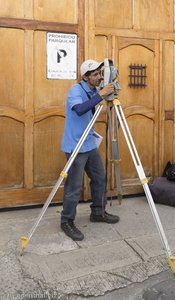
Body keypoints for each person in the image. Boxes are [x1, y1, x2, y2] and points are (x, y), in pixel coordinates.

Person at [61, 59, 120, 241]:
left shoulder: (94, 91)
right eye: (94, 74)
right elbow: (79, 109)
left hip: (89, 143)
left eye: (99, 73)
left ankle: (98, 212)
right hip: (76, 145)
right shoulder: (76, 91)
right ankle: (67, 221)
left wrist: (105, 94)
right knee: (74, 186)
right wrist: (101, 94)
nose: (98, 77)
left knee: (100, 177)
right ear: (85, 77)